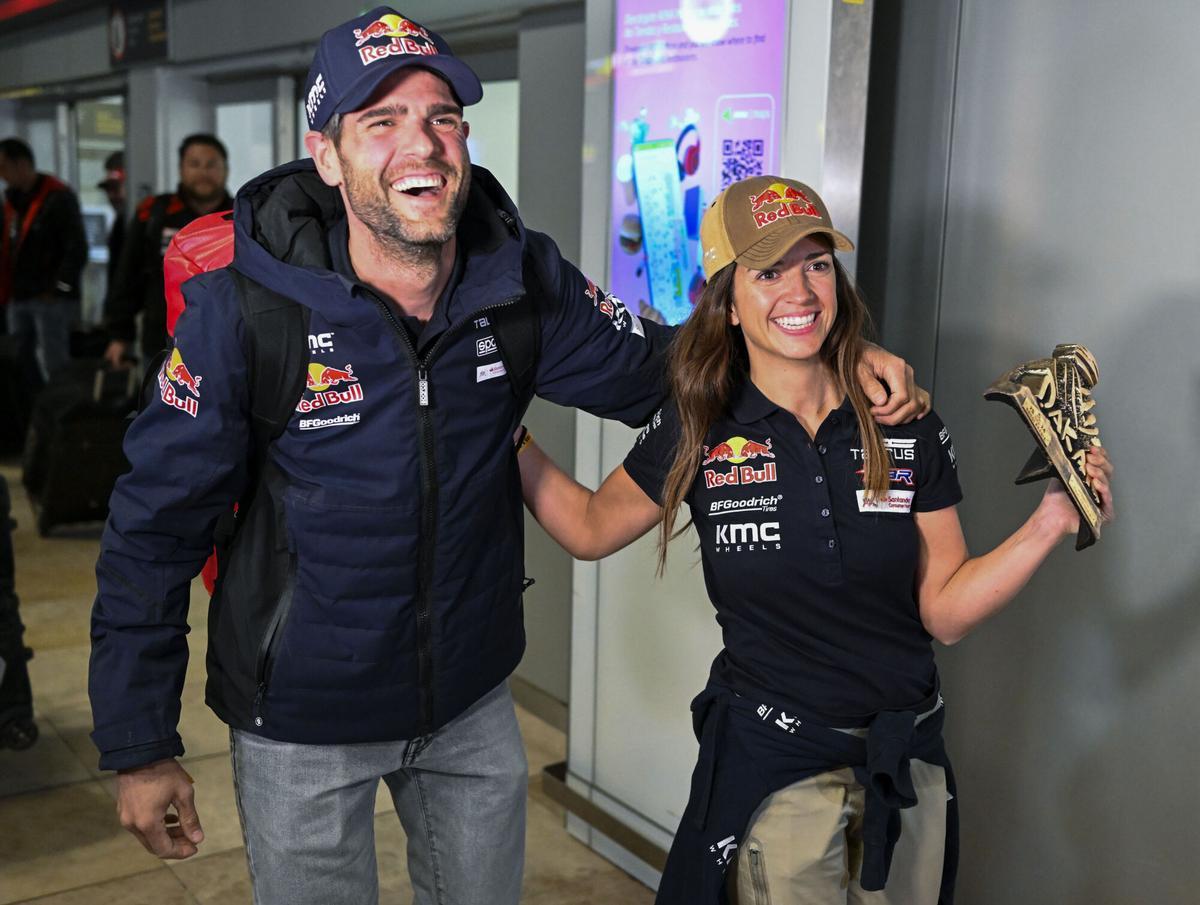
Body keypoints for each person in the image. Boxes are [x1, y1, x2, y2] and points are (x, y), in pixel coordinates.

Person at [88, 9, 924, 905]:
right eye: (383, 121)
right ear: (327, 157)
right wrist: (140, 743)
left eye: (442, 116)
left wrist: (825, 352)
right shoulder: (246, 314)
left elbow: (667, 374)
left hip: (470, 702)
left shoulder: (520, 278)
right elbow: (153, 529)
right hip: (300, 720)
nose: (424, 144)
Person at [515, 175, 1115, 904]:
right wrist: (503, 435)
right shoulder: (700, 426)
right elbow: (587, 525)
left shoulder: (903, 422)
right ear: (727, 300)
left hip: (908, 759)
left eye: (818, 263)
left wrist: (1052, 518)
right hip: (781, 764)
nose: (800, 291)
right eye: (769, 271)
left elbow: (947, 611)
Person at [103, 134, 232, 368]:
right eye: (194, 164)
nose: (203, 172)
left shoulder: (242, 218)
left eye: (211, 165)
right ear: (181, 169)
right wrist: (120, 334)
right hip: (162, 346)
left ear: (225, 169)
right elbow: (127, 274)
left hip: (229, 346)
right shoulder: (154, 213)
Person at [0, 137, 88, 381]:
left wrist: (59, 288)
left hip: (50, 298)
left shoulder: (57, 197)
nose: (2, 175)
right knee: (18, 358)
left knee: (54, 361)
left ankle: (59, 412)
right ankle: (31, 411)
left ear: (22, 164)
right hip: (19, 295)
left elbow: (76, 249)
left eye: (4, 167)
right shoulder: (12, 202)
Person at [97, 151, 127, 312]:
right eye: (108, 189)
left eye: (116, 188)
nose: (112, 195)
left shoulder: (139, 224)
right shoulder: (119, 223)